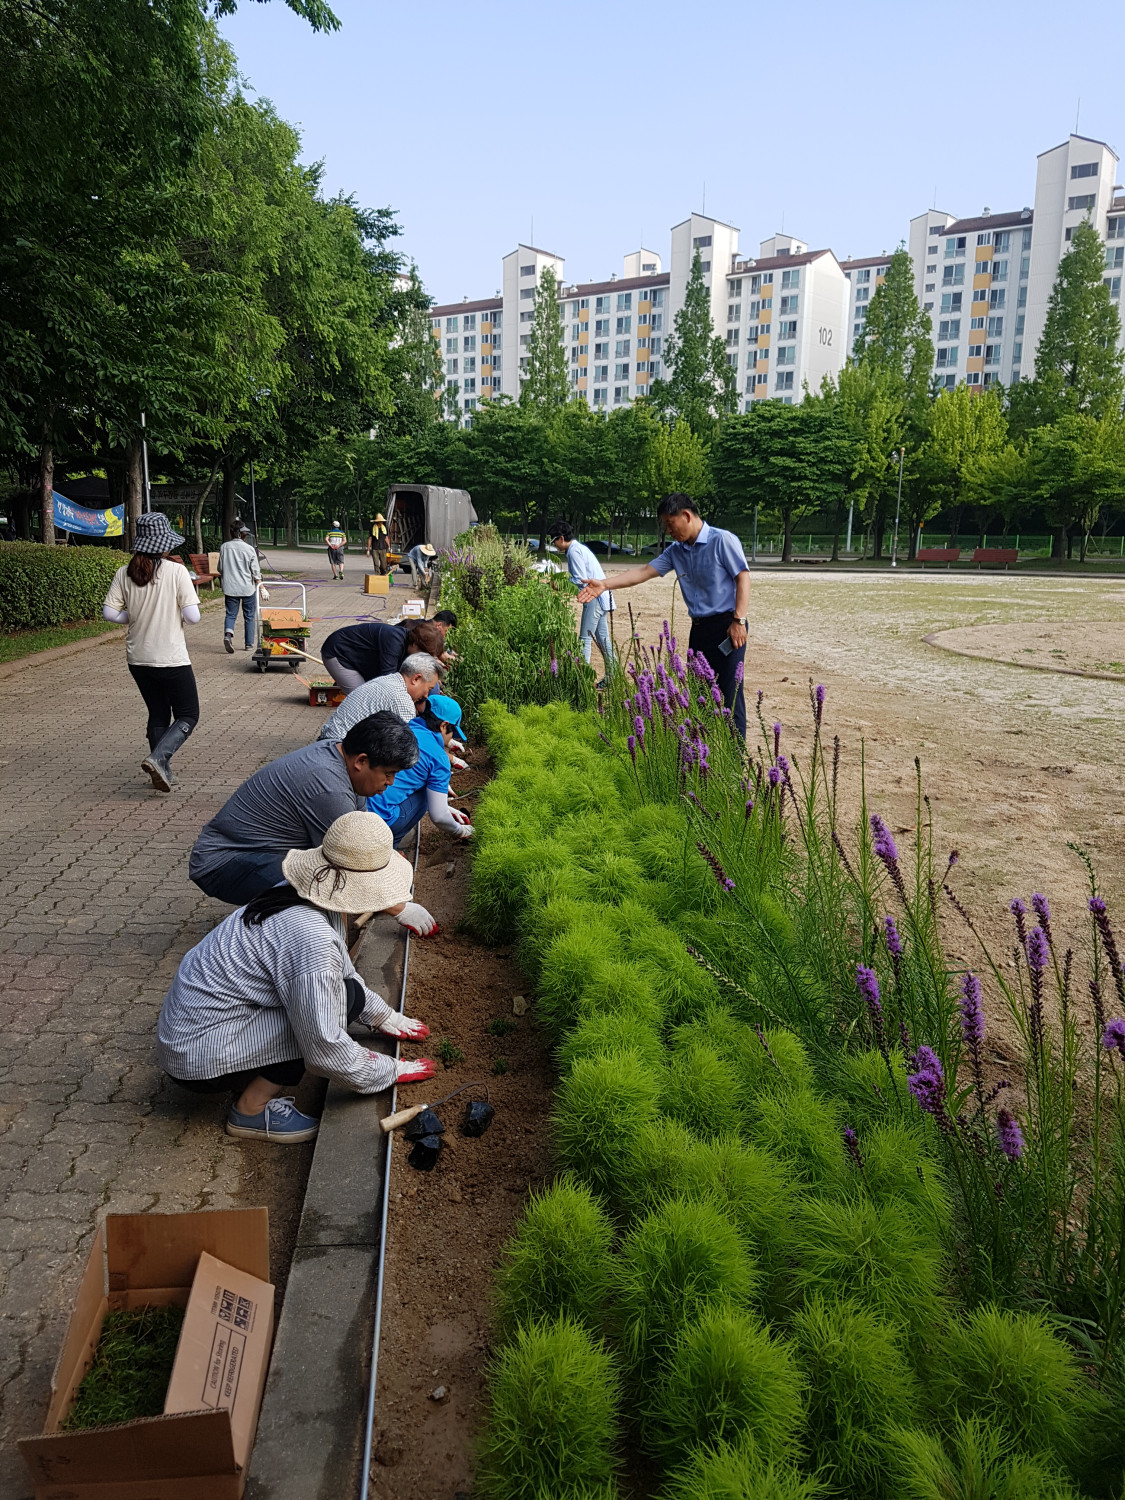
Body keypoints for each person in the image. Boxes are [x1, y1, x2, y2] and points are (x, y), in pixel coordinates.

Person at [159, 812, 437, 1144]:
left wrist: (384, 1016)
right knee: (323, 1016)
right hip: (198, 1053)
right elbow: (324, 1046)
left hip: (193, 1027)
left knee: (342, 996)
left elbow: (342, 973)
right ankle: (250, 1110)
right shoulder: (310, 936)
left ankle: (252, 1086)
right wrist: (391, 1070)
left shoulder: (301, 892)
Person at [189, 711, 439, 936]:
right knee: (323, 882)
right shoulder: (328, 788)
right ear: (362, 761)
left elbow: (361, 829)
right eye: (388, 773)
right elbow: (344, 868)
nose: (391, 782)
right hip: (223, 863)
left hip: (260, 851)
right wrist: (399, 908)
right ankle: (283, 942)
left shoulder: (343, 760)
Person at [577, 493, 750, 735]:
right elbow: (645, 570)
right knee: (700, 694)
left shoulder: (722, 540)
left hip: (728, 626)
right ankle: (708, 752)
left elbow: (742, 577)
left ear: (687, 516)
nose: (668, 531)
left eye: (670, 524)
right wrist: (605, 584)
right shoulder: (676, 551)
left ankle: (736, 758)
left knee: (730, 692)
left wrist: (739, 620)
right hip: (699, 629)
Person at [103, 511, 201, 792]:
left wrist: (133, 617)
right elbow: (193, 617)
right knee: (188, 714)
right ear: (164, 544)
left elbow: (109, 613)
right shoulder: (176, 571)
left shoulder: (124, 572)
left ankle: (163, 771)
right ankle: (159, 758)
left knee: (158, 713)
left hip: (138, 658)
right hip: (170, 657)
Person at [366, 693, 473, 848]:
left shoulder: (405, 728)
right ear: (443, 726)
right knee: (426, 792)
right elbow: (439, 816)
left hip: (361, 806)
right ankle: (390, 848)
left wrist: (447, 808)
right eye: (452, 734)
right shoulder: (439, 758)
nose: (450, 739)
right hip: (381, 820)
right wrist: (461, 830)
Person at [316, 652, 443, 742]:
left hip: (330, 740)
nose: (426, 695)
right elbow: (409, 744)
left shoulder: (390, 680)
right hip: (339, 749)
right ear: (416, 679)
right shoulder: (400, 698)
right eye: (429, 689)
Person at [548, 520, 615, 680]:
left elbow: (580, 579)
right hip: (600, 597)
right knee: (603, 641)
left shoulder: (573, 551)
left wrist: (560, 584)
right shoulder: (578, 548)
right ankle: (612, 678)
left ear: (561, 538)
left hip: (594, 597)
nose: (555, 545)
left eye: (554, 540)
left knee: (584, 639)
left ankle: (581, 680)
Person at [321, 616, 453, 694]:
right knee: (364, 696)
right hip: (340, 653)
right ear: (414, 645)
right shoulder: (393, 640)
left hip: (362, 659)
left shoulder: (410, 648)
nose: (421, 660)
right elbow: (388, 683)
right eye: (422, 655)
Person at [218, 521, 262, 654]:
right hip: (247, 588)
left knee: (231, 614)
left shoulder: (224, 547)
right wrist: (261, 587)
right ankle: (249, 644)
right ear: (242, 534)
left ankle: (228, 635)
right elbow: (255, 570)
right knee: (249, 615)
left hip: (230, 587)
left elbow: (220, 568)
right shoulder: (249, 549)